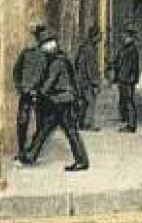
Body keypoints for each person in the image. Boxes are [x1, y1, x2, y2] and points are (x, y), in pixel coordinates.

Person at [21, 26, 90, 171]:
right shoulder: (60, 58)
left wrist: (38, 93)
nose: (43, 49)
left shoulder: (57, 61)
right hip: (60, 99)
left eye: (44, 46)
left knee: (68, 131)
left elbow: (49, 82)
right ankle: (31, 155)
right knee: (47, 128)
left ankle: (82, 161)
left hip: (61, 100)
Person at [11, 27, 48, 162]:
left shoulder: (51, 55)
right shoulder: (27, 53)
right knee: (22, 122)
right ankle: (21, 151)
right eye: (41, 36)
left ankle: (33, 152)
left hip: (42, 94)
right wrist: (20, 87)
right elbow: (17, 70)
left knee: (41, 124)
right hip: (26, 93)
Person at [112, 29, 142, 132]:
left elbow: (134, 67)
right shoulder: (124, 49)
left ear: (130, 38)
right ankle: (127, 122)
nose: (123, 38)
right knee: (124, 101)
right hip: (123, 79)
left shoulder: (132, 50)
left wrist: (132, 78)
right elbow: (117, 62)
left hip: (128, 80)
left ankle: (131, 125)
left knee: (129, 101)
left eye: (126, 36)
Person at [73, 26, 103, 132]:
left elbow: (77, 64)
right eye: (99, 35)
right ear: (94, 36)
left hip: (81, 80)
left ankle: (81, 123)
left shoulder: (84, 47)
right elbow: (92, 68)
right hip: (87, 81)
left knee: (84, 102)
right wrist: (96, 83)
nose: (101, 38)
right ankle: (87, 123)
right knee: (90, 102)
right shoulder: (90, 49)